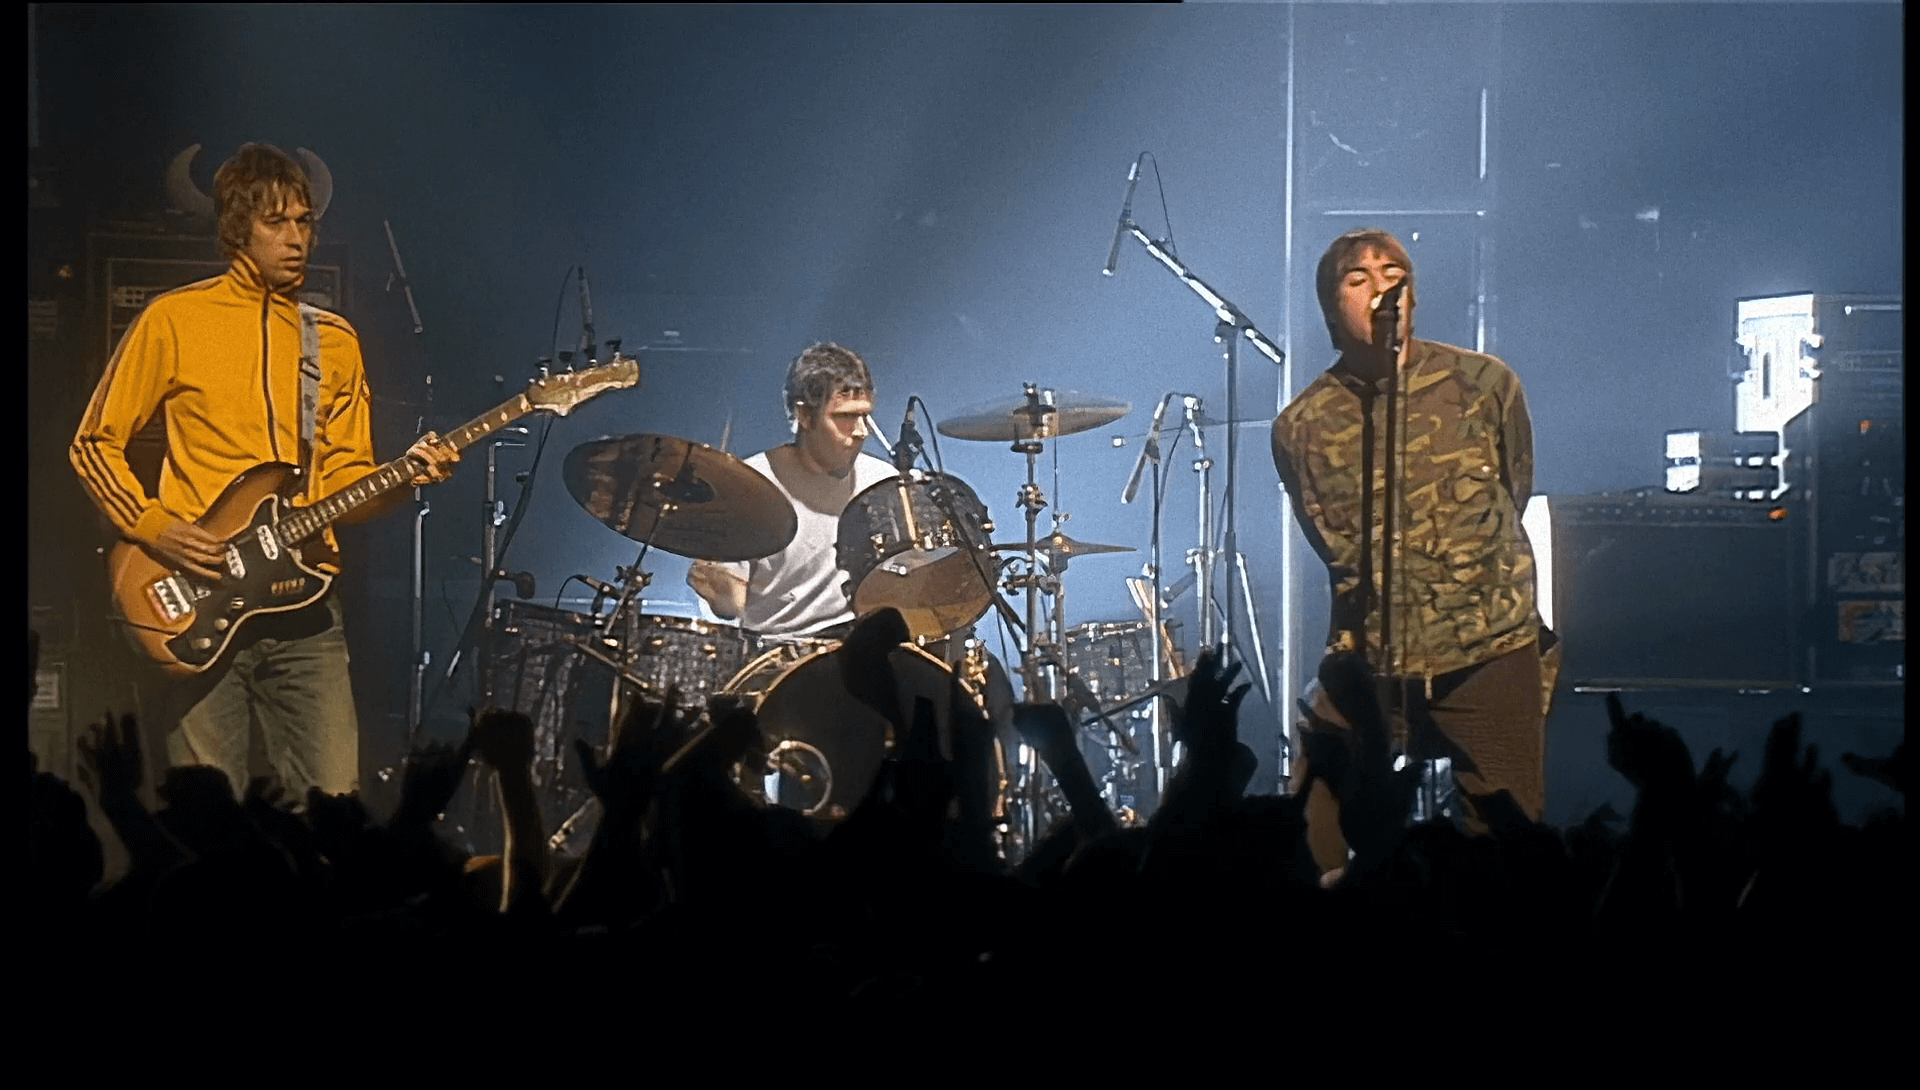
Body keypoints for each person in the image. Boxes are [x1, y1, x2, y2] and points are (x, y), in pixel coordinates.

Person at [70, 143, 459, 803]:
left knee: (335, 807)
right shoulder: (175, 319)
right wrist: (156, 528)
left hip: (306, 613)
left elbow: (345, 487)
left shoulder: (332, 341)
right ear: (237, 230)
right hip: (195, 595)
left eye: (305, 222)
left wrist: (404, 480)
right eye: (277, 222)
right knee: (204, 817)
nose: (297, 238)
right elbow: (93, 443)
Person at [1271, 227, 1553, 872]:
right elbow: (1324, 534)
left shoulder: (1483, 384)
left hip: (1486, 642)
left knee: (1506, 833)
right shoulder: (1303, 424)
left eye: (1392, 273)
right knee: (1312, 818)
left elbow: (1516, 486)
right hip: (1371, 652)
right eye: (1358, 277)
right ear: (1329, 305)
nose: (1380, 288)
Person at [686, 342, 896, 641]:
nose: (862, 431)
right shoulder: (745, 486)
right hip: (777, 661)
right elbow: (731, 606)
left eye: (865, 416)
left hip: (861, 654)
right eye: (846, 417)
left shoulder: (883, 481)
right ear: (805, 416)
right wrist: (723, 594)